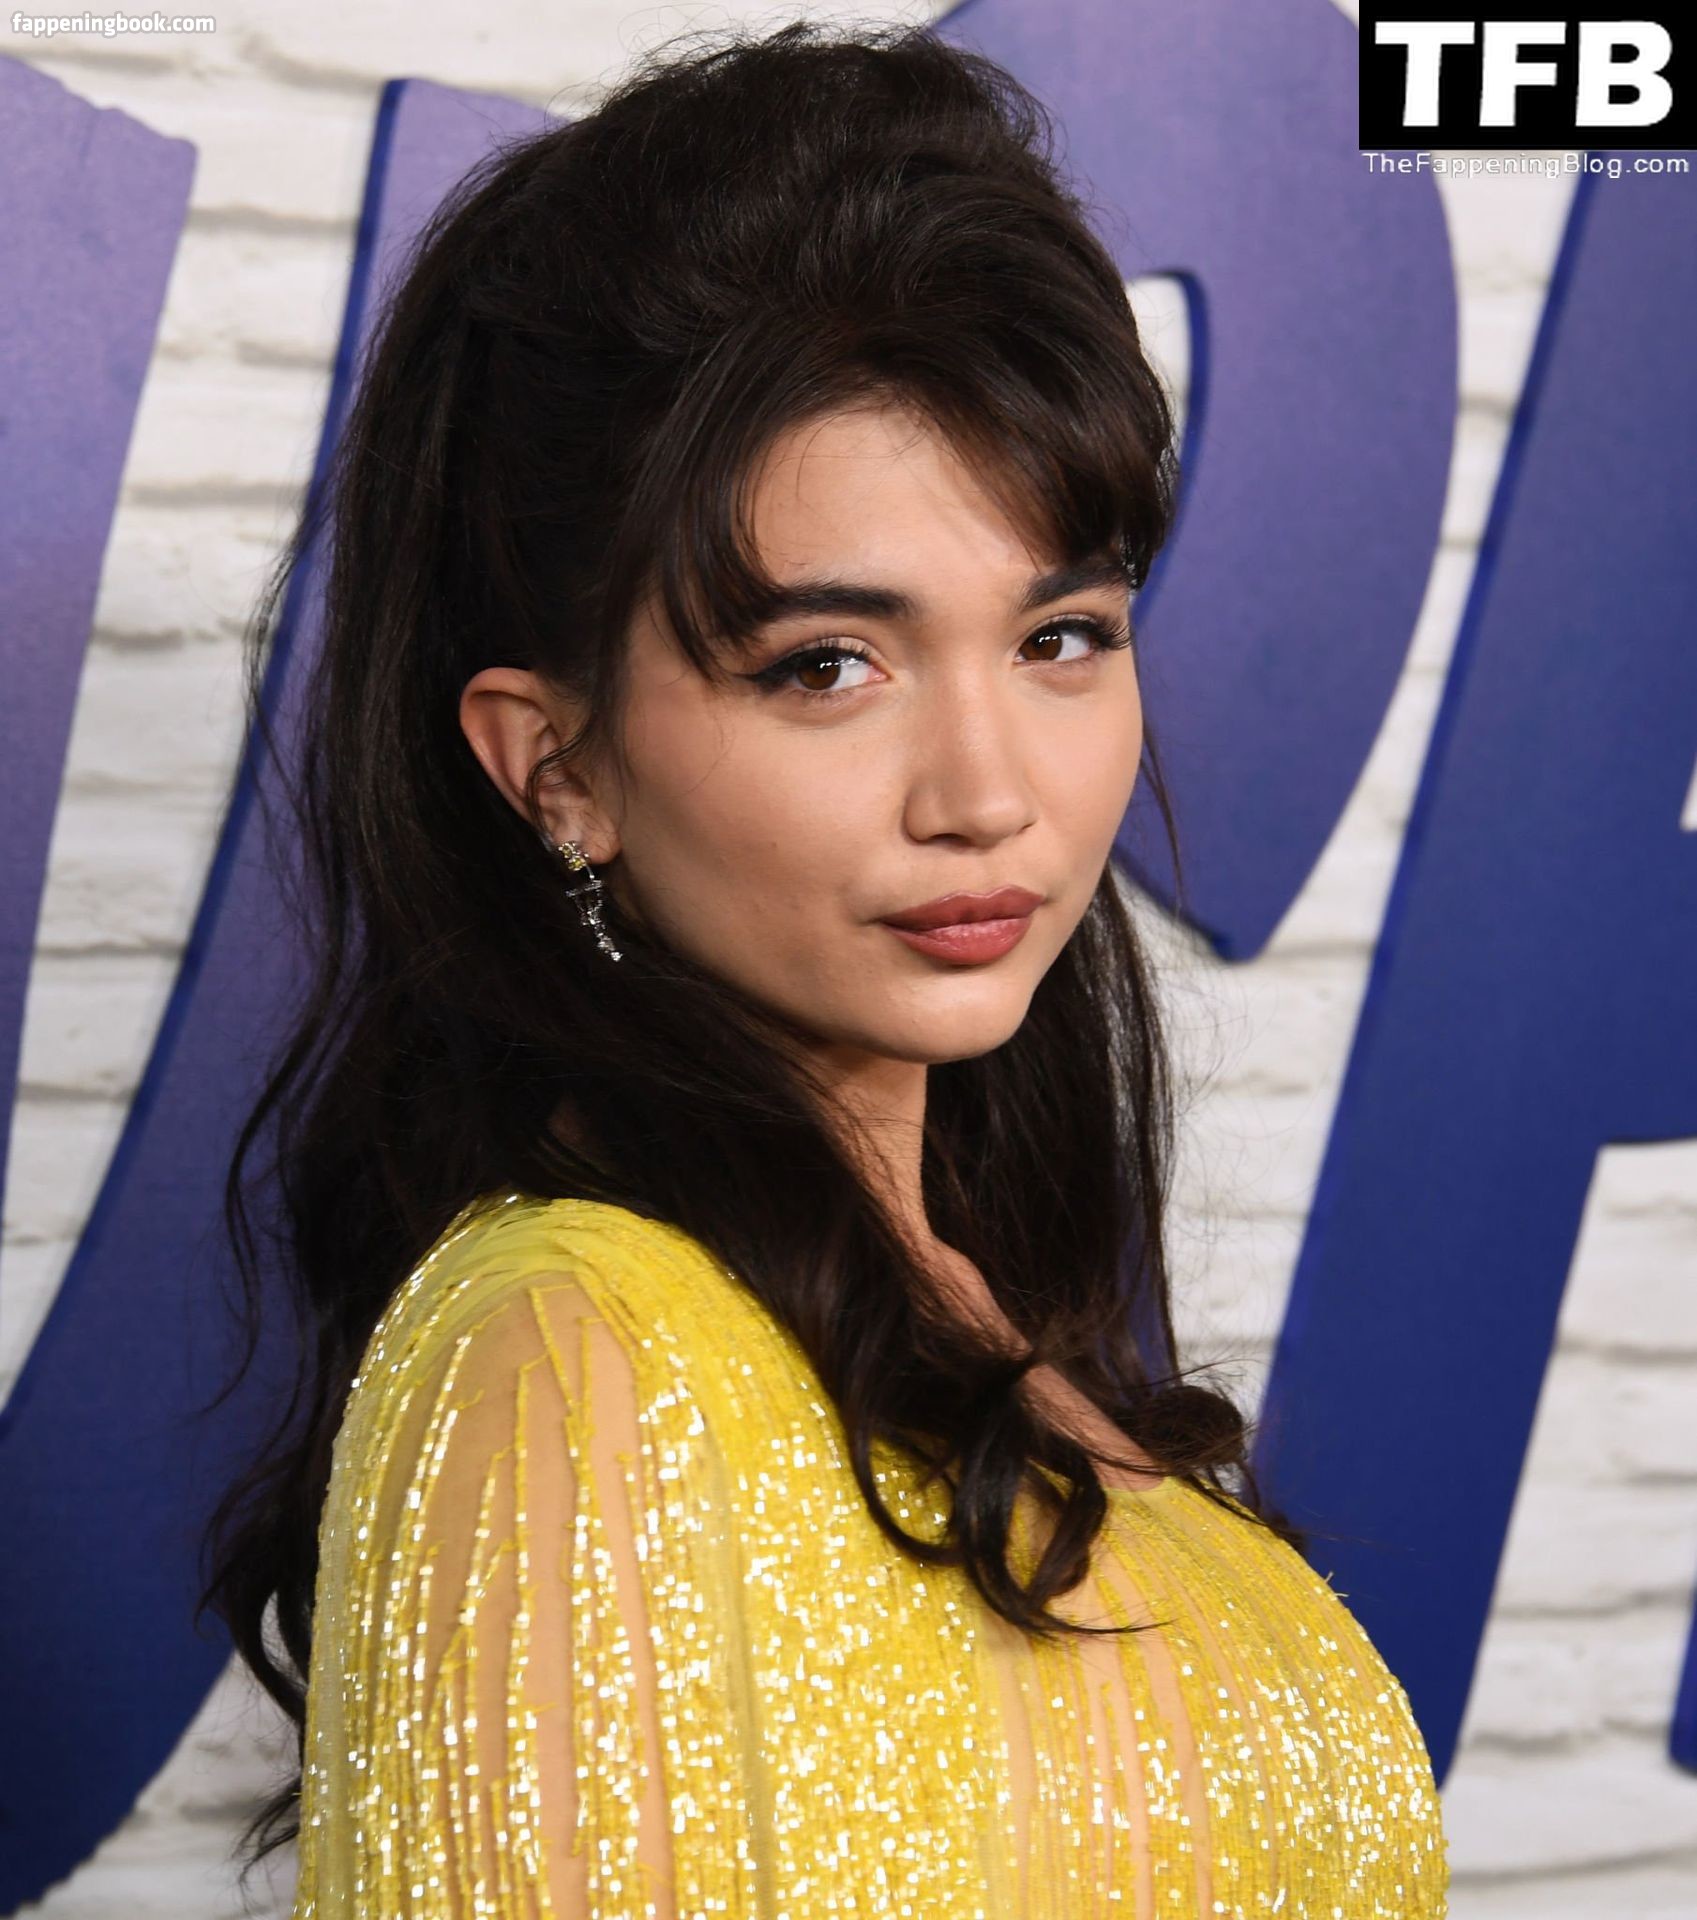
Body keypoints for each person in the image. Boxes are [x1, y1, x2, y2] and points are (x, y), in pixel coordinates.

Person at [198, 19, 1450, 1918]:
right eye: (826, 666)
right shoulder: (575, 1359)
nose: (987, 795)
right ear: (556, 767)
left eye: (1058, 636)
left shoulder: (976, 1310)